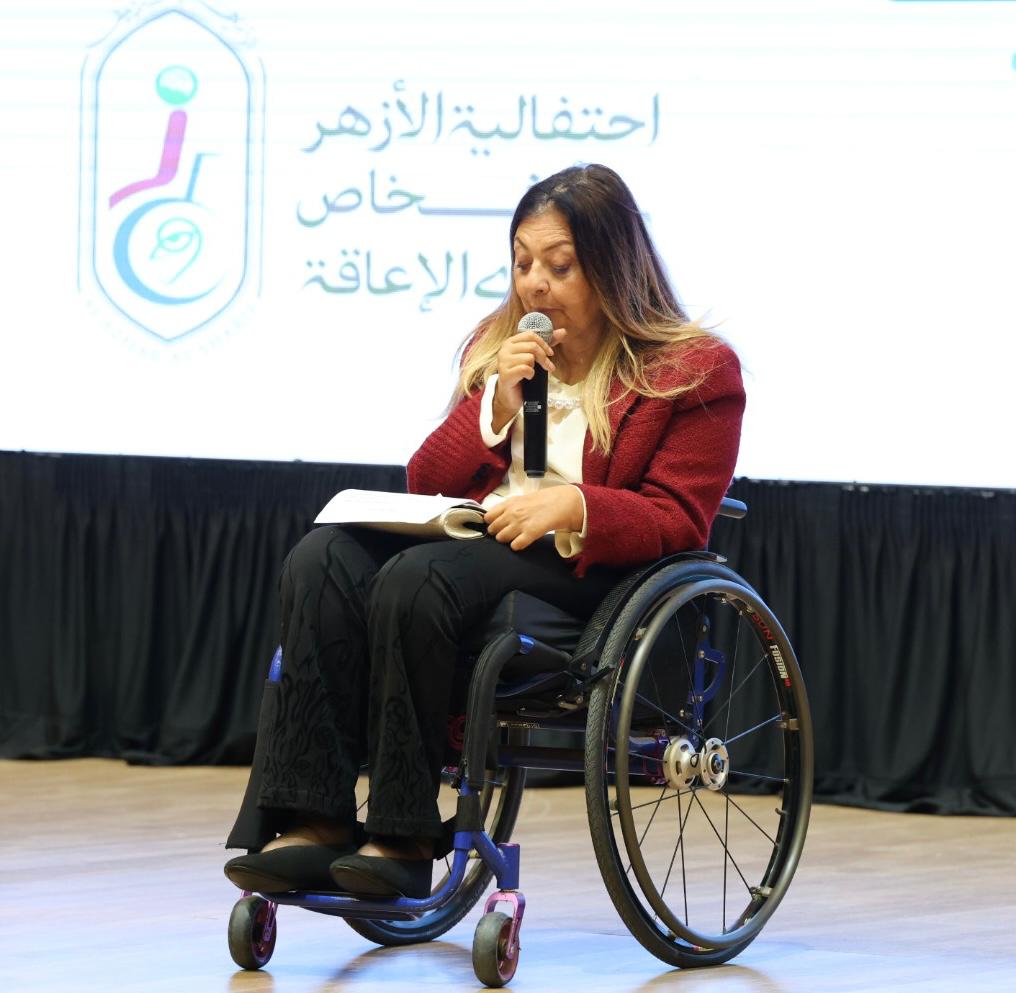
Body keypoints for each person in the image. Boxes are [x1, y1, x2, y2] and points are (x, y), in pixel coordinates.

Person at [223, 163, 745, 899]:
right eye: (523, 263)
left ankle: (403, 835)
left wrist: (575, 506)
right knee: (322, 558)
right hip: (481, 543)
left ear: (612, 266)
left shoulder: (692, 370)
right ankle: (315, 819)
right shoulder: (498, 345)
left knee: (418, 579)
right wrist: (494, 404)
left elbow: (678, 517)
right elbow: (426, 477)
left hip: (588, 574)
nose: (535, 285)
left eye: (559, 266)